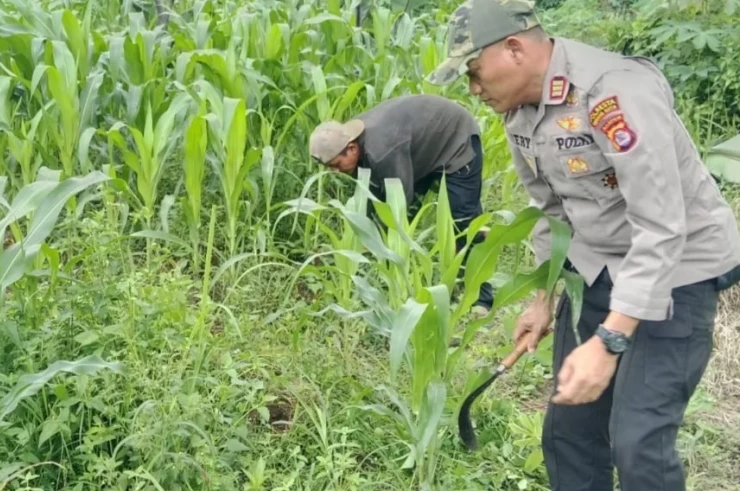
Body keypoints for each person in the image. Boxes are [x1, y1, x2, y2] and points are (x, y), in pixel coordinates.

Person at [427, 1, 740, 490]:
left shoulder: (613, 93)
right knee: (568, 431)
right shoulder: (519, 113)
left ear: (513, 49)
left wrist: (610, 341)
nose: (472, 88)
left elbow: (660, 227)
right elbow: (551, 211)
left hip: (678, 270)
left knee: (638, 443)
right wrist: (543, 296)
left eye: (473, 71)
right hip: (597, 267)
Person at [308, 94, 495, 311]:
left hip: (456, 138)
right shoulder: (356, 142)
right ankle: (414, 281)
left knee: (463, 221)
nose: (336, 171)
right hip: (421, 148)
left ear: (351, 148)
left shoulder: (382, 151)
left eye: (336, 165)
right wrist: (360, 237)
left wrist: (381, 239)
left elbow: (399, 205)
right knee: (391, 222)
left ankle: (481, 298)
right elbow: (372, 197)